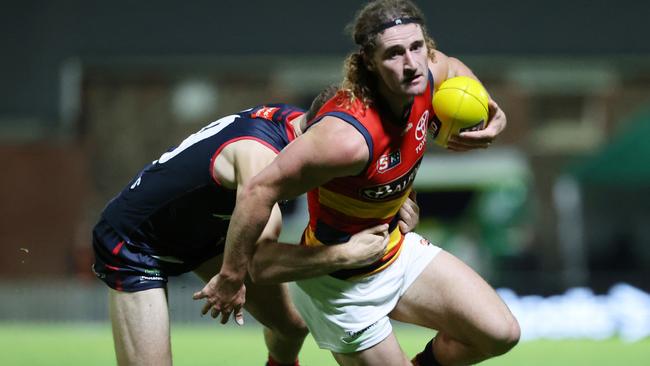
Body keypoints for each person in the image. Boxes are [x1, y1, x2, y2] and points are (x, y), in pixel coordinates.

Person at [203, 1, 520, 365]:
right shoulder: (345, 136)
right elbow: (259, 190)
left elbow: (453, 69)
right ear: (369, 61)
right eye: (394, 54)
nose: (411, 63)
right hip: (340, 285)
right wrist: (230, 276)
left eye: (417, 47)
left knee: (500, 333)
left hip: (396, 251)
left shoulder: (428, 75)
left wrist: (490, 112)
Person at [91, 89, 422, 366]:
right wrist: (344, 255)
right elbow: (261, 263)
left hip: (205, 231)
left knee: (291, 327)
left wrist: (394, 201)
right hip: (136, 242)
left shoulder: (303, 126)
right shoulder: (263, 164)